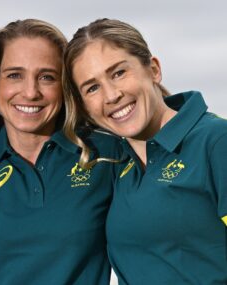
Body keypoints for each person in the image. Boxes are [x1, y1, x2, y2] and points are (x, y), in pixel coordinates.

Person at [63, 18, 227, 284]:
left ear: (153, 69)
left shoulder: (216, 141)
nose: (111, 95)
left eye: (118, 73)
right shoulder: (113, 161)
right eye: (92, 87)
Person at [0, 19, 121, 285]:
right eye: (14, 75)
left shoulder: (106, 153)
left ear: (65, 86)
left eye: (47, 77)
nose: (31, 92)